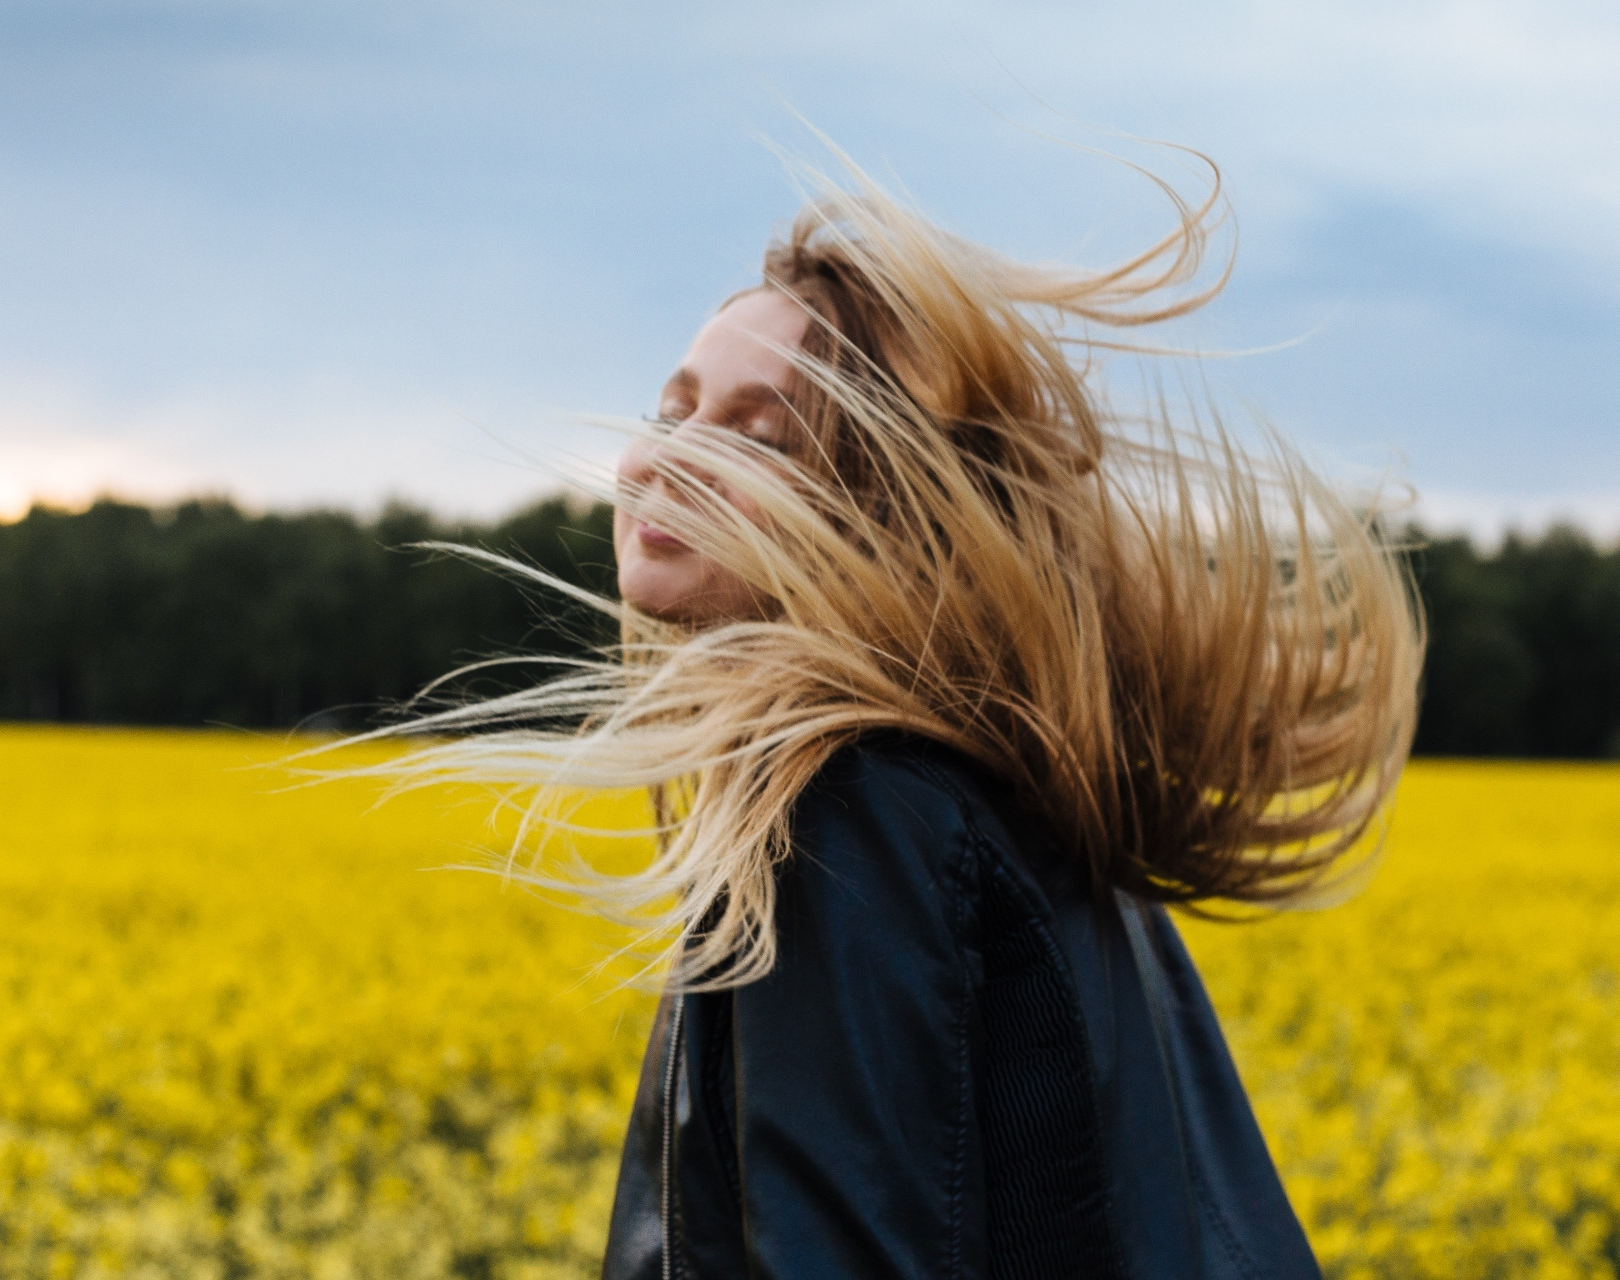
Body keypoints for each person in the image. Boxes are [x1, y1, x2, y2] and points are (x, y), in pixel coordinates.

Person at [342, 156, 1420, 1278]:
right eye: (672, 410)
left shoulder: (852, 811)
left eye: (760, 434)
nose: (671, 458)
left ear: (884, 506)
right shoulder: (1010, 799)